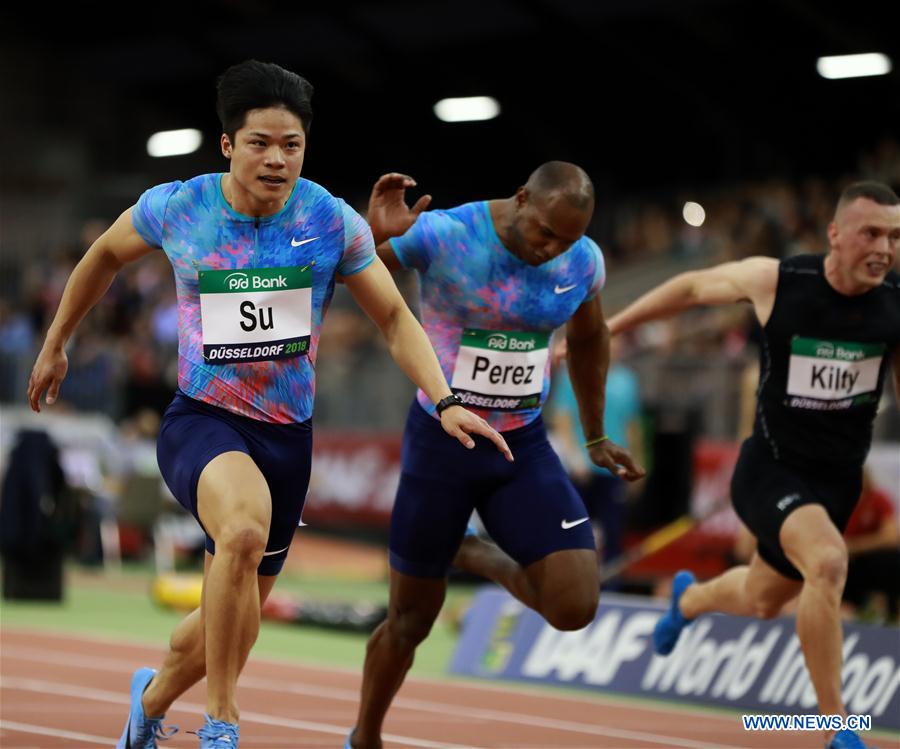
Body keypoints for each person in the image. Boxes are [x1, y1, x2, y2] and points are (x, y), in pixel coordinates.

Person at [26, 60, 511, 749]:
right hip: (203, 420)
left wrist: (446, 398)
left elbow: (395, 319)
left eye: (292, 145)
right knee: (243, 534)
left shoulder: (330, 220)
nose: (277, 159)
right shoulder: (182, 206)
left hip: (287, 437)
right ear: (229, 145)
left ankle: (150, 699)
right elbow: (104, 254)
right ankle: (222, 720)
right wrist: (56, 341)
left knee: (234, 618)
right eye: (260, 143)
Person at [347, 164, 645, 749]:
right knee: (410, 622)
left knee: (575, 604)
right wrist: (373, 234)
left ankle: (475, 554)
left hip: (521, 445)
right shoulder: (447, 233)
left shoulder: (583, 261)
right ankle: (366, 737)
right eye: (545, 232)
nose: (551, 249)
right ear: (522, 197)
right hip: (442, 443)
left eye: (567, 239)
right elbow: (347, 271)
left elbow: (590, 339)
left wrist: (594, 435)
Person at [606, 181, 900, 749]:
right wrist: (612, 327)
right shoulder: (781, 282)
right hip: (771, 470)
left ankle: (689, 600)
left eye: (894, 237)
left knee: (764, 600)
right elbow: (693, 286)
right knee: (828, 562)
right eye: (871, 234)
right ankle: (836, 726)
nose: (884, 249)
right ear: (835, 234)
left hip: (838, 486)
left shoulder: (894, 307)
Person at [550, 335, 643, 569]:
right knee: (574, 530)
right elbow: (562, 419)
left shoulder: (627, 380)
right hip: (581, 469)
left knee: (613, 531)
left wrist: (635, 461)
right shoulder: (574, 374)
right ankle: (571, 579)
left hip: (613, 468)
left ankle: (610, 584)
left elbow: (631, 425)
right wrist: (575, 458)